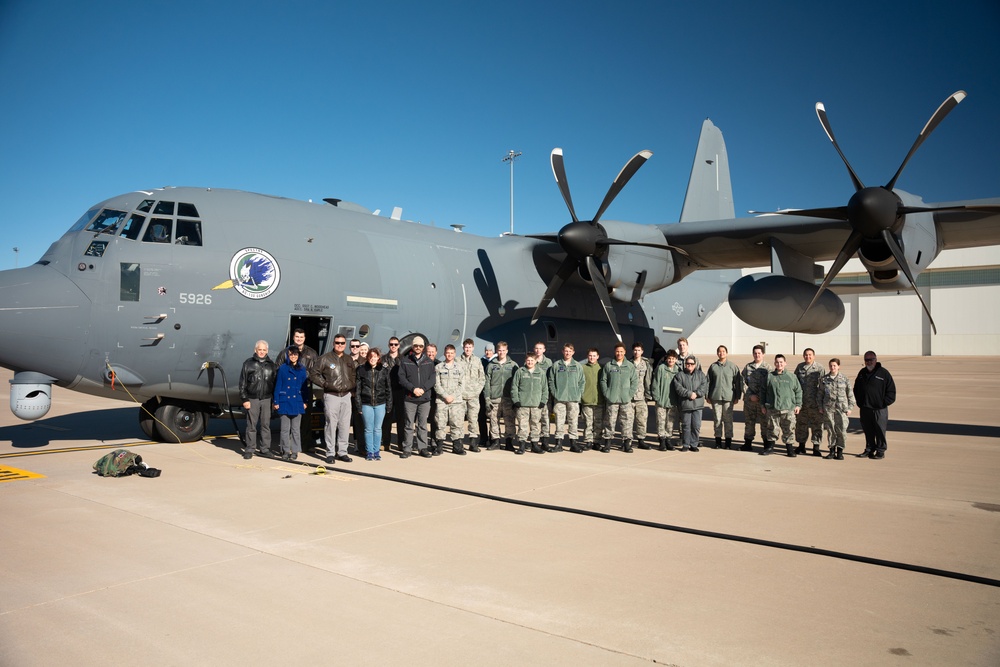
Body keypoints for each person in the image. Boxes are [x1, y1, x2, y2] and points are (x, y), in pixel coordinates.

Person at [310, 334, 356, 464]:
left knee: (344, 425)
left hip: (346, 396)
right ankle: (330, 452)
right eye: (337, 343)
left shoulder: (348, 359)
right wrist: (325, 384)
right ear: (333, 343)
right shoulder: (325, 358)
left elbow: (353, 374)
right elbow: (313, 373)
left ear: (345, 344)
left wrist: (351, 385)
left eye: (342, 343)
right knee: (331, 424)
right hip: (331, 395)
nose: (340, 345)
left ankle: (342, 452)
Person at [275, 328, 320, 451]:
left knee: (305, 418)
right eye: (297, 337)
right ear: (293, 338)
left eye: (301, 337)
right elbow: (278, 369)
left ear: (304, 338)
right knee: (288, 421)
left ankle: (305, 445)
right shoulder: (285, 352)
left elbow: (317, 370)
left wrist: (306, 378)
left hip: (304, 389)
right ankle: (286, 447)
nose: (299, 339)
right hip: (288, 390)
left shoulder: (312, 353)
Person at [853, 351, 896, 459]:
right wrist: (860, 403)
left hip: (879, 409)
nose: (869, 362)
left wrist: (883, 402)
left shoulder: (883, 373)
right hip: (865, 408)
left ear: (875, 360)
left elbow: (891, 391)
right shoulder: (862, 373)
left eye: (871, 359)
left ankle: (880, 450)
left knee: (880, 431)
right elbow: (856, 389)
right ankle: (869, 449)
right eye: (866, 360)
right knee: (868, 431)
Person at [398, 336, 436, 458]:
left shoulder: (429, 362)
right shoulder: (405, 361)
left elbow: (432, 379)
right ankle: (407, 448)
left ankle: (422, 448)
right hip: (410, 398)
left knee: (422, 424)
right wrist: (413, 389)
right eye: (416, 346)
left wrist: (423, 389)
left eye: (420, 346)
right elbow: (401, 378)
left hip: (424, 398)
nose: (418, 348)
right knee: (409, 424)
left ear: (423, 347)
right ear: (412, 347)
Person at [239, 340, 277, 459]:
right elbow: (242, 383)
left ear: (267, 351)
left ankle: (265, 448)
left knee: (266, 425)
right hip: (252, 398)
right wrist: (245, 399)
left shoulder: (271, 365)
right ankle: (250, 448)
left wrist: (274, 401)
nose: (262, 352)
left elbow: (275, 384)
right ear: (255, 350)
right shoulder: (248, 364)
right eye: (259, 349)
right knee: (251, 425)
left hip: (266, 399)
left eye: (264, 350)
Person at [761, 354, 802, 457]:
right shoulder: (769, 376)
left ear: (785, 363)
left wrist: (798, 405)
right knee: (772, 428)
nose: (779, 364)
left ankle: (790, 449)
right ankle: (770, 447)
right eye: (777, 362)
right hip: (773, 408)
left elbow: (798, 391)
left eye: (781, 362)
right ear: (774, 363)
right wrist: (762, 405)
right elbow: (763, 392)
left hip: (788, 409)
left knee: (789, 429)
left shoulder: (791, 377)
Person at [354, 347, 392, 461]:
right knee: (368, 429)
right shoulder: (361, 370)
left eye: (375, 357)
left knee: (377, 428)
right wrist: (359, 405)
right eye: (371, 357)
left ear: (378, 358)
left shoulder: (384, 370)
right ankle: (369, 451)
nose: (373, 359)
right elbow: (358, 390)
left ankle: (377, 451)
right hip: (366, 403)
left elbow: (388, 389)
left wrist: (389, 404)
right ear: (367, 358)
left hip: (380, 403)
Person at [273, 346, 310, 460]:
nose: (293, 356)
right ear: (288, 356)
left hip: (297, 401)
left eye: (295, 355)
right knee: (285, 429)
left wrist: (305, 401)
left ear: (298, 356)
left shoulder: (302, 369)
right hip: (284, 401)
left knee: (295, 429)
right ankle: (285, 450)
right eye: (291, 355)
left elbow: (305, 387)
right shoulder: (283, 368)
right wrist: (276, 401)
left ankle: (295, 450)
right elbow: (278, 385)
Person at [548, 343, 586, 452]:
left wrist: (578, 394)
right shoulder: (556, 365)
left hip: (573, 399)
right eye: (566, 351)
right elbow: (551, 381)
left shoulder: (577, 366)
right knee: (559, 421)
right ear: (562, 352)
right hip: (560, 399)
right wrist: (555, 393)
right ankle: (558, 444)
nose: (567, 353)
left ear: (573, 352)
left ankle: (573, 443)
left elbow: (582, 381)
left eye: (570, 351)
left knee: (573, 421)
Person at [600, 343, 638, 453]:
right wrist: (607, 393)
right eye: (617, 351)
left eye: (621, 351)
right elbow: (603, 380)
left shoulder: (629, 366)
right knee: (610, 421)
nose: (619, 353)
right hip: (612, 399)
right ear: (614, 352)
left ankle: (626, 443)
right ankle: (607, 443)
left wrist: (629, 394)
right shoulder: (609, 365)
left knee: (627, 421)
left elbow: (634, 382)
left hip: (625, 400)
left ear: (625, 352)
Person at [511, 354, 549, 454]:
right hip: (522, 404)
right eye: (528, 360)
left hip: (536, 405)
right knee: (522, 425)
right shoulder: (520, 372)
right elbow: (514, 387)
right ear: (525, 360)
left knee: (535, 425)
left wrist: (543, 401)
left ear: (536, 361)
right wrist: (516, 400)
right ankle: (522, 445)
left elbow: (545, 388)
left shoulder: (540, 373)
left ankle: (535, 445)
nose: (530, 362)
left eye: (532, 360)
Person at [706, 344, 742, 449]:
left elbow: (737, 383)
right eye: (719, 351)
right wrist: (707, 395)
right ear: (717, 353)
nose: (721, 353)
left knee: (728, 419)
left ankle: (728, 442)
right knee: (717, 419)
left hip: (728, 397)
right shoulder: (713, 367)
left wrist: (737, 396)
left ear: (726, 353)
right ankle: (718, 441)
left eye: (723, 351)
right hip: (715, 397)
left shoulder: (733, 367)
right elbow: (708, 381)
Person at [433, 344, 466, 455]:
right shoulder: (438, 367)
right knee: (440, 424)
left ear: (455, 354)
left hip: (456, 401)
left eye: (452, 353)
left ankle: (457, 447)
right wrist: (445, 396)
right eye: (448, 353)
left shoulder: (460, 368)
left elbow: (462, 385)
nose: (449, 355)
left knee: (456, 424)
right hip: (442, 401)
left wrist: (453, 396)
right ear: (444, 353)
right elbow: (436, 385)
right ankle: (439, 447)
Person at [485, 341, 518, 450]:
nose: (501, 352)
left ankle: (509, 442)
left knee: (509, 420)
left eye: (503, 350)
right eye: (499, 350)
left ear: (507, 351)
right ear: (496, 351)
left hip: (508, 398)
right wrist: (487, 398)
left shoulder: (513, 365)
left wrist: (515, 398)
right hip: (495, 397)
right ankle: (496, 441)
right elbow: (487, 382)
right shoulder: (491, 365)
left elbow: (517, 383)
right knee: (494, 420)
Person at [671, 355, 708, 451]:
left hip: (697, 405)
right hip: (685, 405)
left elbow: (704, 386)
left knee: (696, 426)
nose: (689, 365)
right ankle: (686, 444)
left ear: (695, 365)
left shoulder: (701, 375)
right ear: (685, 364)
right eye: (687, 363)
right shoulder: (679, 375)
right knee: (686, 426)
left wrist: (696, 394)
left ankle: (694, 444)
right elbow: (678, 388)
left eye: (691, 364)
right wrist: (689, 394)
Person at [819, 358, 854, 460]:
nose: (832, 367)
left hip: (841, 410)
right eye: (831, 365)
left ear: (839, 366)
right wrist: (820, 407)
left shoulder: (844, 379)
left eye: (834, 365)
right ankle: (831, 451)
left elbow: (850, 395)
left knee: (841, 431)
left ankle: (840, 451)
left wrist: (850, 408)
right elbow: (820, 394)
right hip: (828, 409)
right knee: (831, 431)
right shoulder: (824, 379)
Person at [741, 345, 774, 452]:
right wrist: (750, 395)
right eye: (755, 353)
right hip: (750, 401)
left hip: (762, 402)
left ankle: (765, 444)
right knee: (749, 422)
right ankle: (747, 443)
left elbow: (771, 384)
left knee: (765, 423)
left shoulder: (767, 368)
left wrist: (761, 397)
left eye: (759, 353)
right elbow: (743, 383)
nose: (757, 355)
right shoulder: (748, 367)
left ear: (763, 354)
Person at [794, 348, 825, 456]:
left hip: (815, 403)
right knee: (801, 425)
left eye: (810, 355)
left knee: (817, 425)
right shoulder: (800, 367)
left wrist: (821, 403)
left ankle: (816, 447)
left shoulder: (819, 368)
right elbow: (795, 384)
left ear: (814, 356)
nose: (808, 357)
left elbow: (823, 387)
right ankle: (801, 446)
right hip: (802, 403)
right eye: (806, 355)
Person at [457, 338, 486, 453]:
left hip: (473, 396)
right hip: (461, 396)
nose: (468, 349)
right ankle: (458, 442)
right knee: (458, 420)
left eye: (470, 347)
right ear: (463, 348)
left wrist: (476, 391)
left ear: (473, 348)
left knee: (473, 420)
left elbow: (482, 378)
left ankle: (473, 443)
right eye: (466, 347)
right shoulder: (457, 360)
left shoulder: (477, 361)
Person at [651, 350, 680, 450]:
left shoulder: (678, 371)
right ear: (666, 359)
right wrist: (657, 398)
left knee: (670, 422)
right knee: (661, 421)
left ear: (676, 359)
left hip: (672, 401)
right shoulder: (661, 368)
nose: (671, 360)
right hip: (661, 401)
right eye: (669, 358)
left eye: (673, 359)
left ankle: (668, 439)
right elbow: (655, 384)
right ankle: (662, 440)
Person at [630, 342, 654, 449]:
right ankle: (627, 440)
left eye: (639, 350)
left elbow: (648, 380)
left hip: (641, 397)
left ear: (642, 351)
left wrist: (648, 395)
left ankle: (641, 440)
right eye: (635, 350)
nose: (636, 352)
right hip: (629, 397)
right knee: (628, 420)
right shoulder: (628, 363)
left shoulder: (646, 364)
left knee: (642, 420)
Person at [580, 348, 604, 452]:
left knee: (598, 422)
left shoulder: (602, 368)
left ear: (598, 356)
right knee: (588, 422)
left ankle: (597, 441)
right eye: (590, 355)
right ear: (587, 356)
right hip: (587, 400)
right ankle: (588, 441)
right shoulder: (583, 368)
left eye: (594, 356)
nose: (592, 357)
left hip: (599, 400)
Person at [383, 336, 404, 451]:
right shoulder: (383, 359)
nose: (393, 346)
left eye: (395, 344)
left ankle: (401, 443)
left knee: (401, 418)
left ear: (399, 345)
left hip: (400, 391)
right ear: (388, 345)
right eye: (391, 344)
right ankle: (386, 442)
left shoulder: (404, 359)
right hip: (387, 390)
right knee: (387, 418)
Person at [532, 342, 554, 448]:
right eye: (536, 348)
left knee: (546, 419)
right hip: (533, 395)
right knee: (534, 420)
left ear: (544, 350)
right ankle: (534, 441)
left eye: (540, 348)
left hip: (545, 396)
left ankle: (545, 441)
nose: (538, 350)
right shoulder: (531, 361)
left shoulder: (548, 362)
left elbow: (551, 379)